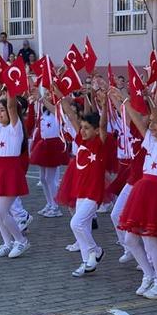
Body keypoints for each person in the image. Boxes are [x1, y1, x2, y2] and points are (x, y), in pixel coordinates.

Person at [116, 85, 157, 301]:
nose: (151, 126)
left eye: (155, 123)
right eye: (151, 123)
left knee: (150, 242)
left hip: (156, 192)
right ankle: (148, 274)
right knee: (131, 239)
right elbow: (137, 119)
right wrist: (124, 98)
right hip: (143, 190)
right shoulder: (151, 141)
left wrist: (150, 101)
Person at [58, 90, 109, 277]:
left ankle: (96, 251)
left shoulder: (99, 144)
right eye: (82, 127)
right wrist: (57, 92)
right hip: (80, 191)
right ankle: (87, 262)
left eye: (87, 128)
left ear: (95, 130)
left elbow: (103, 126)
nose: (83, 131)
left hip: (93, 194)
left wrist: (104, 107)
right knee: (83, 228)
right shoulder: (81, 140)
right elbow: (71, 116)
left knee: (76, 224)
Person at [0, 76, 31, 258]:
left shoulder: (14, 128)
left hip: (10, 171)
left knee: (1, 211)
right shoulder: (0, 126)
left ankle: (22, 241)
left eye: (3, 111)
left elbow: (9, 105)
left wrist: (10, 86)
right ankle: (7, 243)